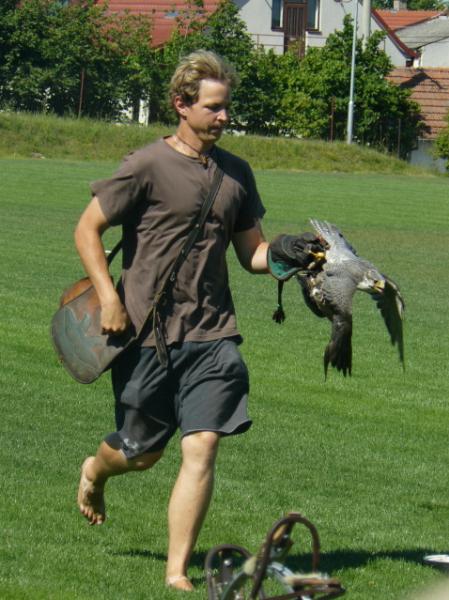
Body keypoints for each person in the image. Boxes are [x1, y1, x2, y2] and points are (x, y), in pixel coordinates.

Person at [75, 49, 322, 592]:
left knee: (203, 443)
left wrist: (292, 254)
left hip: (214, 333)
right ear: (181, 105)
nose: (224, 117)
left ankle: (176, 571)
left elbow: (252, 255)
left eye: (226, 107)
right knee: (141, 453)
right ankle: (96, 469)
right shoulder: (145, 165)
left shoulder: (236, 174)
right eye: (213, 107)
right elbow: (86, 229)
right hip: (146, 335)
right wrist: (108, 298)